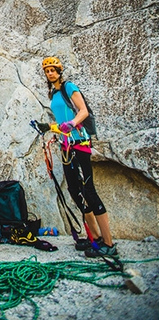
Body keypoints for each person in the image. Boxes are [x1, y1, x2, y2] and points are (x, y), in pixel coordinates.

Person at [38, 57, 118, 258]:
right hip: (66, 146)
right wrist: (48, 128)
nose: (50, 74)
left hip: (79, 144)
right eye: (47, 71)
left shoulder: (68, 87)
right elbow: (61, 123)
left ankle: (109, 242)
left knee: (88, 190)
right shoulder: (54, 93)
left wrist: (72, 124)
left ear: (59, 71)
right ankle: (96, 238)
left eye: (53, 70)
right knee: (75, 190)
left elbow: (82, 111)